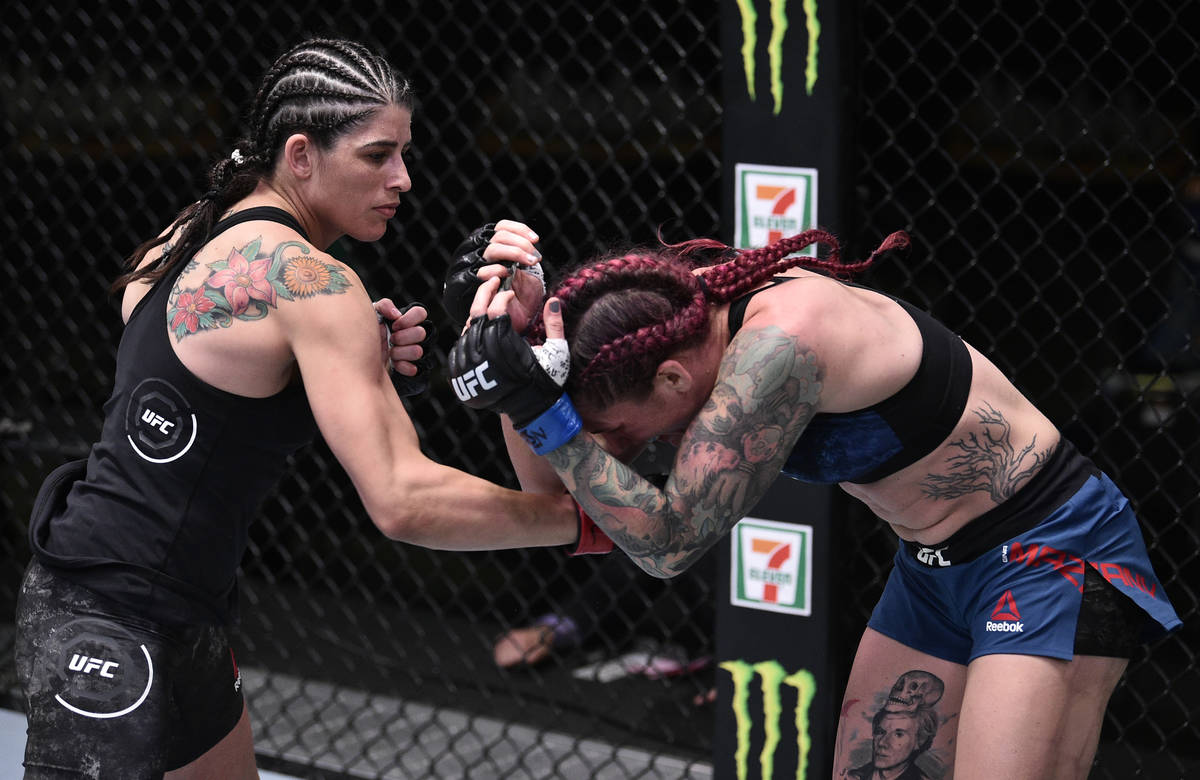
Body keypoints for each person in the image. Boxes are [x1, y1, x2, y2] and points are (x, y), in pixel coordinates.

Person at [14, 39, 583, 779]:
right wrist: (583, 520)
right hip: (113, 613)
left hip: (160, 602)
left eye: (404, 154)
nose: (403, 179)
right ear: (303, 154)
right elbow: (402, 501)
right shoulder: (314, 282)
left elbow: (166, 346)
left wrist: (334, 366)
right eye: (378, 155)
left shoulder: (197, 226)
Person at [445, 221, 1183, 779]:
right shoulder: (671, 344)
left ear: (672, 382)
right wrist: (505, 357)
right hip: (933, 570)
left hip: (1049, 550)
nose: (619, 449)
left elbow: (668, 544)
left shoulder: (781, 346)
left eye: (619, 431)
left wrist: (544, 416)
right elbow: (553, 493)